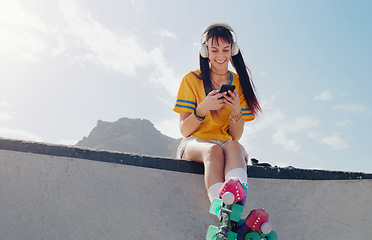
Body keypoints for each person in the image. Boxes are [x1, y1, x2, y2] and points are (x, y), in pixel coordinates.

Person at [173, 23, 261, 204]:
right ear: (205, 51)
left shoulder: (238, 83)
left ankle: (235, 203)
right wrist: (203, 107)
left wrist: (236, 109)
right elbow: (184, 130)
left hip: (225, 144)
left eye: (225, 50)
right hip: (195, 144)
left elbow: (235, 137)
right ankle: (219, 206)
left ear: (233, 50)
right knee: (214, 150)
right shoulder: (191, 80)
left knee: (235, 147)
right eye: (214, 50)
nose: (220, 56)